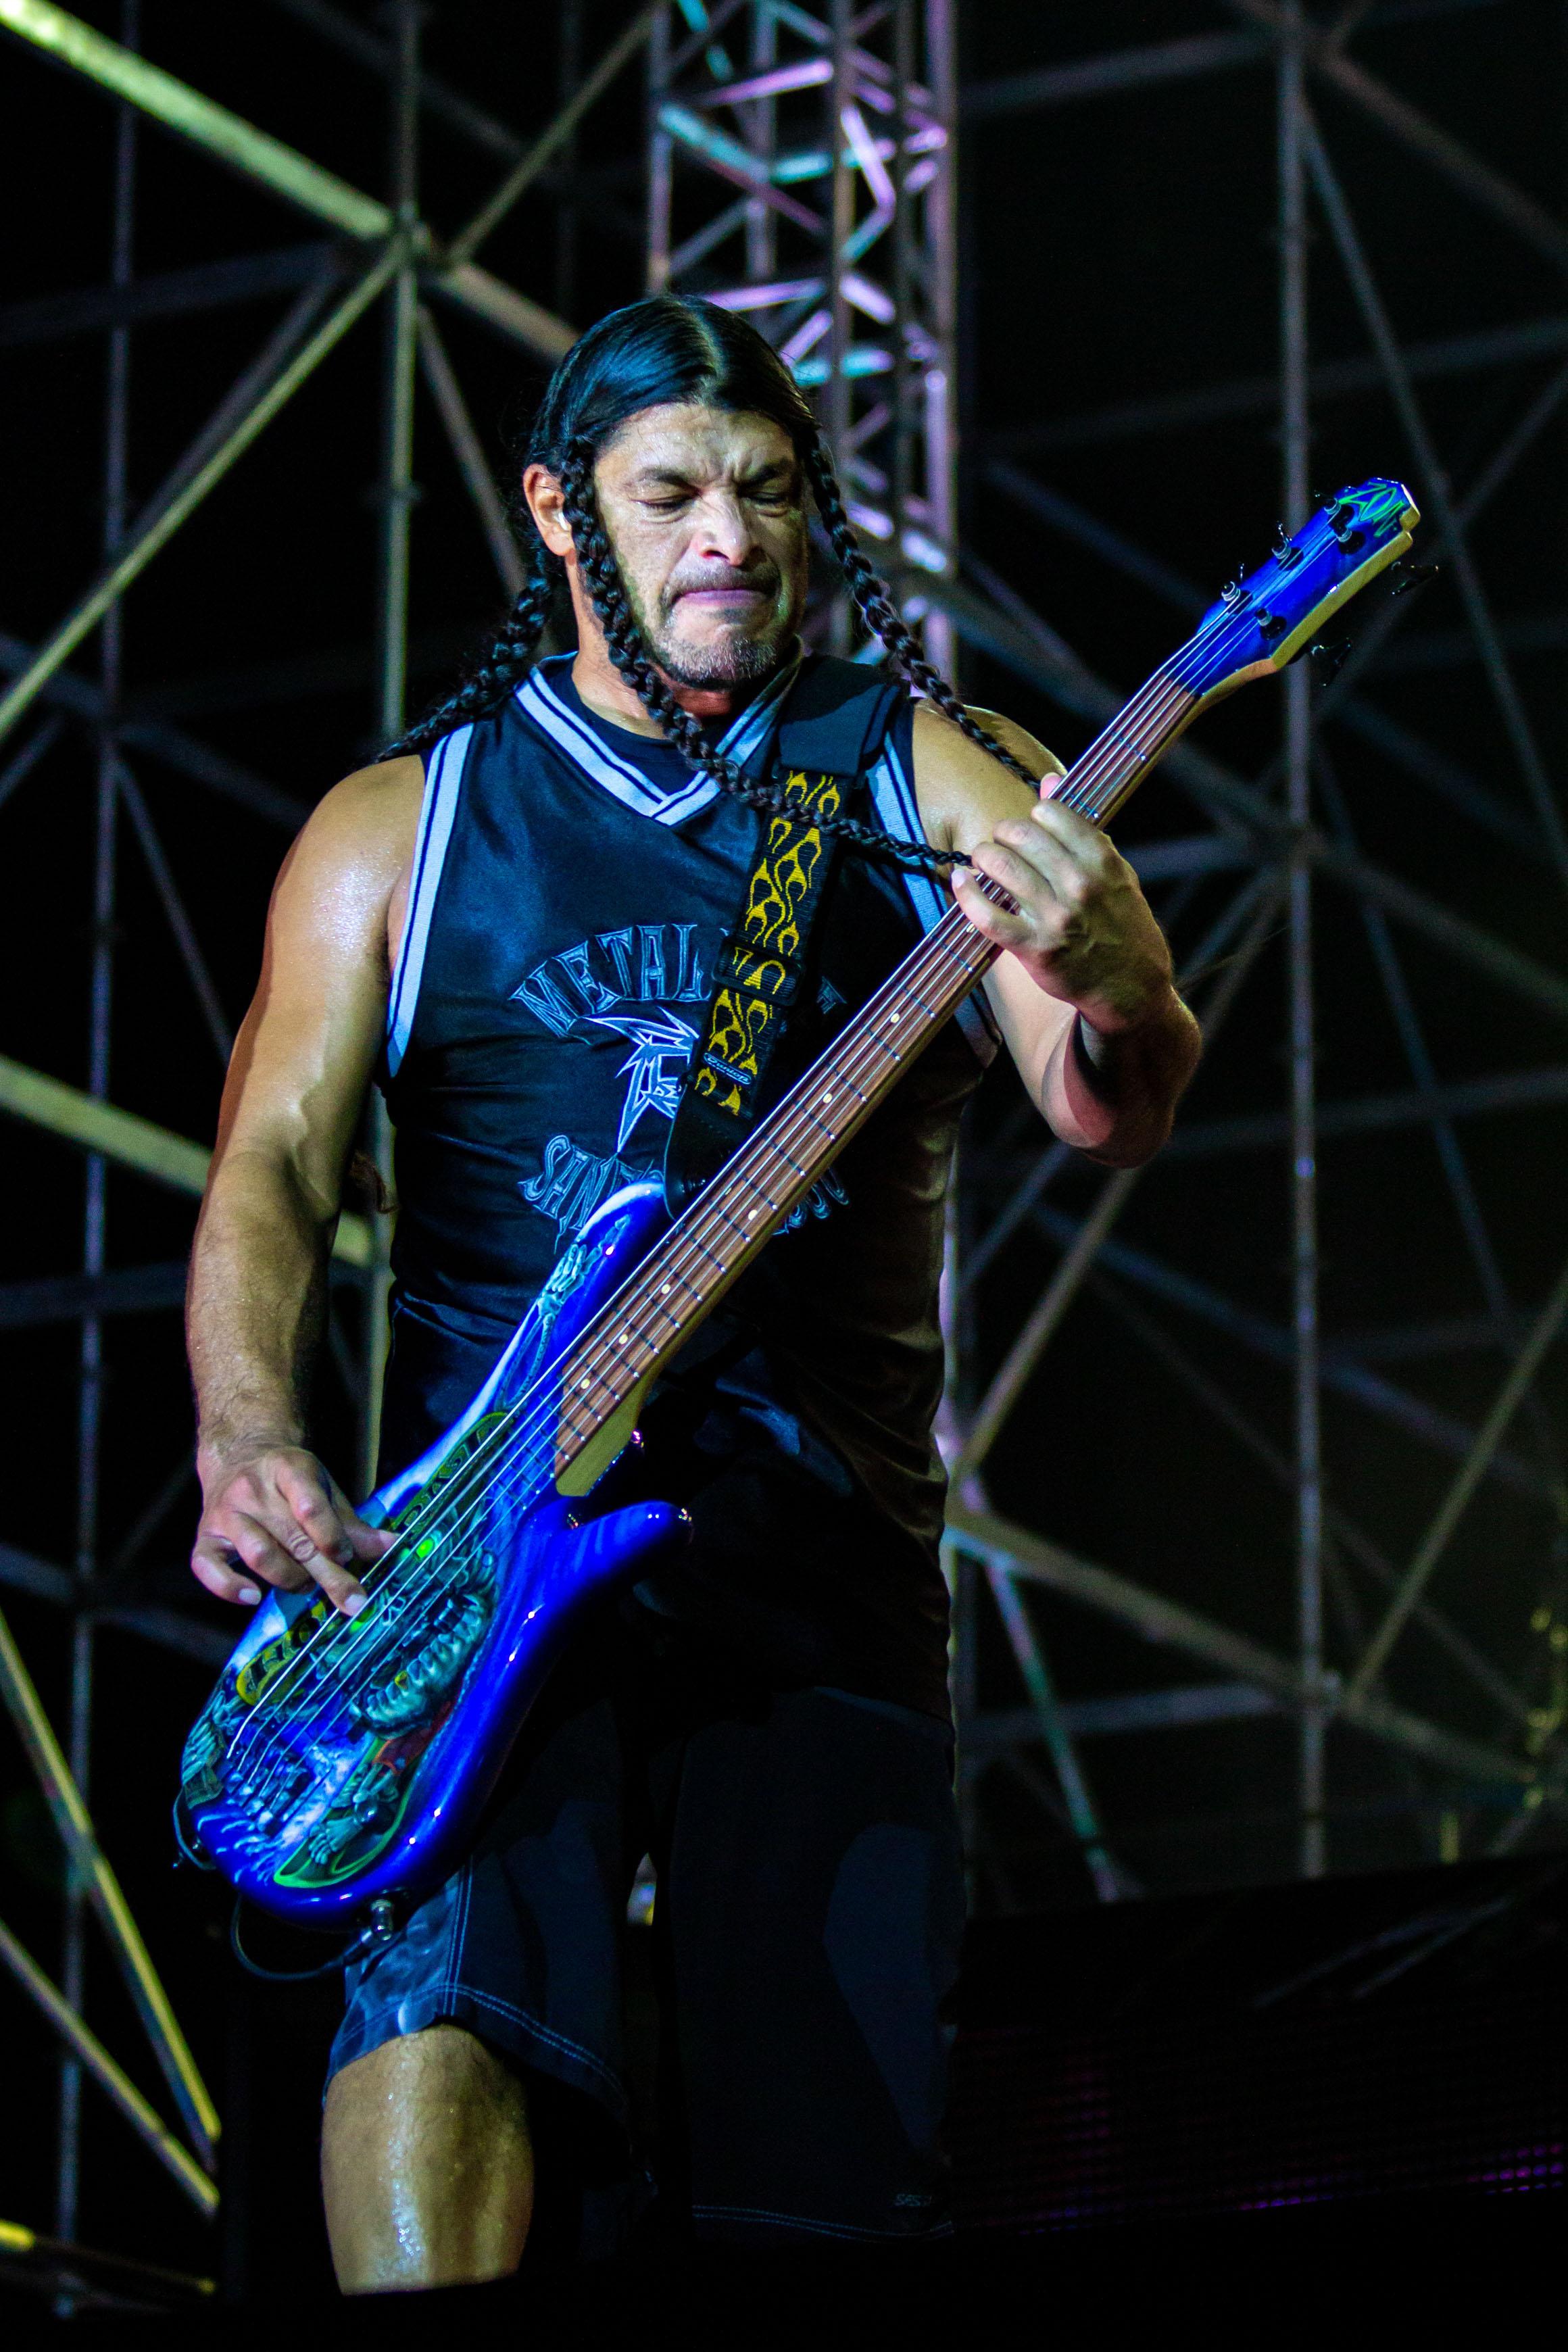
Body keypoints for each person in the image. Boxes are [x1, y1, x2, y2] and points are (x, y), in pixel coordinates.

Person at [185, 296, 1198, 2298]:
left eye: (768, 490)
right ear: (561, 513)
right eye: (669, 495)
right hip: (482, 1559)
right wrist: (246, 1427)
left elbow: (1108, 1102)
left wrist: (1126, 980)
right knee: (445, 2001)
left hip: (820, 1564)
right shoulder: (405, 827)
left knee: (823, 2183)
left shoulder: (918, 769)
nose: (730, 535)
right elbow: (276, 1165)